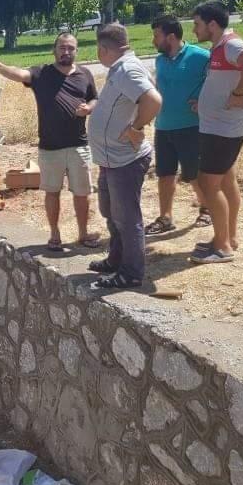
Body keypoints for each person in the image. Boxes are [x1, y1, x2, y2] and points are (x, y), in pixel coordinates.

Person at [0, 33, 100, 251]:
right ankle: (54, 235)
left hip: (79, 145)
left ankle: (83, 233)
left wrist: (89, 108)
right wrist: (0, 67)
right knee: (52, 192)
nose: (66, 52)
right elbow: (21, 74)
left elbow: (94, 98)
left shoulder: (85, 74)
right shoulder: (42, 73)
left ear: (77, 51)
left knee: (82, 193)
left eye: (71, 48)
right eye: (62, 48)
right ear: (54, 50)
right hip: (50, 147)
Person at [85, 23, 162, 289]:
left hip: (125, 160)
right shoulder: (120, 68)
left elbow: (153, 100)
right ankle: (116, 259)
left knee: (127, 219)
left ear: (103, 49)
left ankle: (131, 273)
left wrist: (136, 128)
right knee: (111, 212)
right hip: (110, 159)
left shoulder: (127, 69)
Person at [188, 1, 243, 264]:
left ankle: (222, 248)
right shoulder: (220, 47)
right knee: (226, 182)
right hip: (218, 127)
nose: (193, 30)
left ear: (212, 24)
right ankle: (227, 237)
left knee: (208, 184)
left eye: (196, 24)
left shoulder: (231, 44)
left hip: (223, 130)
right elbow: (222, 81)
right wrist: (206, 103)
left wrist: (237, 94)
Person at [145, 16, 211, 235]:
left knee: (194, 173)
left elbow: (217, 81)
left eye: (157, 36)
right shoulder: (160, 60)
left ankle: (207, 208)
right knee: (165, 173)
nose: (154, 41)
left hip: (191, 126)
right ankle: (165, 217)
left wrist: (204, 98)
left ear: (170, 37)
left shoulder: (201, 57)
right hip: (163, 126)